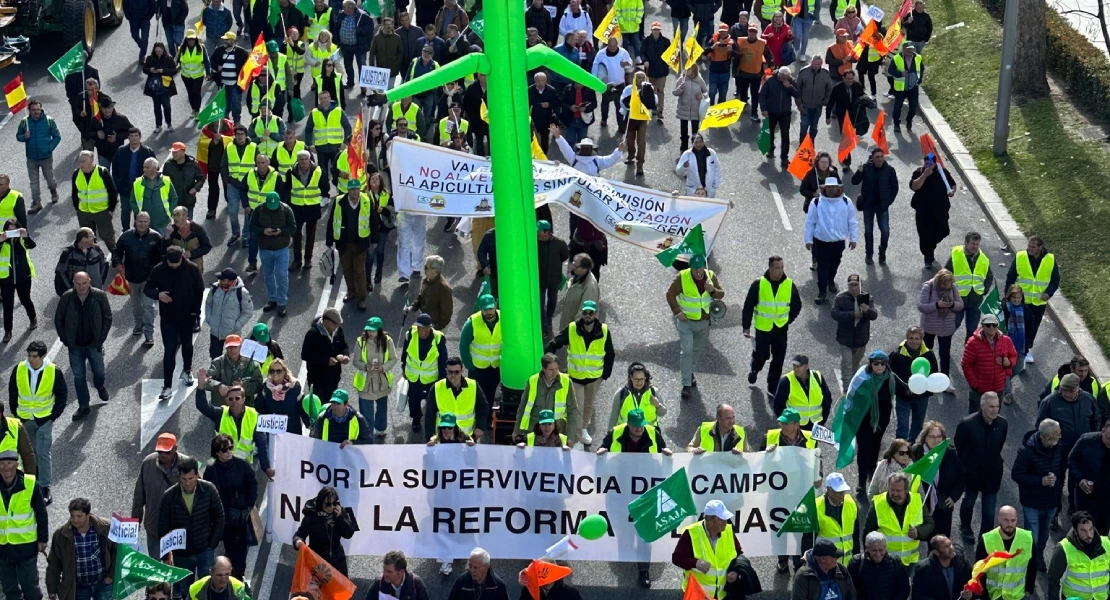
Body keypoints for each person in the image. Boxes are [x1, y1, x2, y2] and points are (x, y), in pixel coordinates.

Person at [546, 300, 614, 445]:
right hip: (575, 378)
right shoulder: (572, 329)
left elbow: (610, 354)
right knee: (577, 406)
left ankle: (583, 429)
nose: (588, 315)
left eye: (591, 313)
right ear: (581, 313)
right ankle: (575, 437)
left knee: (588, 405)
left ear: (596, 314)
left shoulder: (604, 331)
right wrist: (549, 363)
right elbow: (554, 343)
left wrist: (604, 375)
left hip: (594, 378)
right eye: (585, 312)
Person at [157, 457, 224, 597]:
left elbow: (220, 516)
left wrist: (212, 544)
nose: (188, 483)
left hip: (204, 550)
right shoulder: (169, 497)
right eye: (184, 479)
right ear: (179, 477)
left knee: (206, 589)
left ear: (197, 475)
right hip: (182, 555)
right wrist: (165, 556)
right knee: (185, 592)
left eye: (191, 478)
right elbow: (163, 528)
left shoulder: (209, 490)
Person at [1036, 373, 1100, 520]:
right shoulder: (1050, 402)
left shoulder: (1087, 399)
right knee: (1057, 483)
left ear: (1078, 389)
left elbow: (1096, 420)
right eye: (1064, 390)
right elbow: (1040, 426)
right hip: (1059, 450)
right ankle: (1054, 514)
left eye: (1071, 390)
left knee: (1077, 481)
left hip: (1081, 451)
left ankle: (1074, 509)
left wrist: (1091, 440)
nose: (1067, 393)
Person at [146, 246, 204, 398]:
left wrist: (195, 312)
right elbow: (148, 288)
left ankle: (187, 370)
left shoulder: (192, 269)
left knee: (187, 345)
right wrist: (158, 295)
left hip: (187, 315)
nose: (173, 267)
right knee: (169, 350)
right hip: (168, 317)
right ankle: (167, 386)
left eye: (176, 264)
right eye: (170, 265)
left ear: (181, 258)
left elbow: (199, 290)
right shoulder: (159, 269)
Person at [54, 271, 111, 421]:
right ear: (73, 283)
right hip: (75, 346)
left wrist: (100, 339)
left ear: (89, 281)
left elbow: (107, 317)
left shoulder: (99, 296)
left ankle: (99, 386)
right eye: (78, 284)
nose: (81, 287)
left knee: (99, 372)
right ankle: (84, 406)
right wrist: (66, 340)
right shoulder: (67, 297)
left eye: (84, 283)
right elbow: (58, 319)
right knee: (79, 377)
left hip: (94, 344)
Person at [194, 371, 273, 478]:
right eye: (230, 399)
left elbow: (262, 444)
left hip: (243, 465)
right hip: (221, 463)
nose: (234, 401)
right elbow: (202, 406)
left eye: (237, 398)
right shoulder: (220, 413)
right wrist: (201, 387)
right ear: (226, 400)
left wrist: (266, 468)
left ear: (244, 399)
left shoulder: (254, 416)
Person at [667, 255, 725, 400]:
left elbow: (721, 294)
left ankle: (689, 372)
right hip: (686, 322)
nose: (698, 272)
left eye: (700, 269)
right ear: (690, 267)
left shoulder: (711, 276)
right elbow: (670, 295)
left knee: (696, 351)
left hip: (704, 322)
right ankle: (686, 384)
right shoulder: (682, 277)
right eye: (695, 269)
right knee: (686, 351)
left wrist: (712, 290)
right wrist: (677, 312)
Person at [953, 392, 1008, 541]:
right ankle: (965, 527)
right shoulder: (967, 424)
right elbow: (959, 446)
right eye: (991, 406)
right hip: (972, 474)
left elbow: (999, 445)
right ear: (982, 406)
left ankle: (985, 540)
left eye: (997, 406)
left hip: (992, 474)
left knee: (989, 512)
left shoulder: (1002, 424)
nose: (995, 410)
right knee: (968, 502)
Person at [1011, 419, 1062, 576]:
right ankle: (1030, 562)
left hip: (1051, 501)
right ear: (1047, 437)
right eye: (1057, 434)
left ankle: (1039, 556)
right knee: (1032, 535)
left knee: (1044, 533)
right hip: (1032, 503)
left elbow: (1062, 468)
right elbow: (1016, 474)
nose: (1060, 436)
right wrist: (1040, 481)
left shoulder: (1059, 447)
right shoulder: (1026, 451)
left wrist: (1056, 481)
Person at [202, 434, 256, 579]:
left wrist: (249, 502)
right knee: (231, 549)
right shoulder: (211, 471)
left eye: (230, 448)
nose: (229, 452)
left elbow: (252, 483)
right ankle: (231, 577)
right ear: (217, 452)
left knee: (242, 551)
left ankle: (239, 576)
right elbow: (207, 493)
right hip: (224, 518)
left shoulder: (242, 465)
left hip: (242, 515)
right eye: (224, 450)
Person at [7, 340, 56, 498]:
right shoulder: (19, 369)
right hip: (26, 418)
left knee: (43, 453)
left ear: (43, 357)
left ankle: (44, 486)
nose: (31, 359)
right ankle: (31, 481)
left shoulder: (54, 371)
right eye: (29, 355)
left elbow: (61, 394)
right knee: (29, 453)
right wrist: (17, 413)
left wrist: (52, 416)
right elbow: (13, 391)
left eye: (34, 356)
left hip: (44, 419)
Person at [45, 497, 116, 600]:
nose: (75, 520)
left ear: (88, 514)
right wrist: (52, 588)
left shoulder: (105, 528)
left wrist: (111, 576)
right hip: (78, 587)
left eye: (79, 516)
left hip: (103, 584)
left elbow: (116, 552)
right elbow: (54, 563)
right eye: (72, 516)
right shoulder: (61, 535)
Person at [0, 449, 47, 600]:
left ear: (16, 465)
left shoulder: (30, 484)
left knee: (30, 588)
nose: (6, 467)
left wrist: (43, 539)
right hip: (2, 548)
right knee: (9, 589)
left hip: (26, 546)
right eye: (1, 464)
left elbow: (41, 513)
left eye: (9, 463)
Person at [670, 500, 745, 595]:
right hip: (697, 593)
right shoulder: (691, 533)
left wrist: (735, 571)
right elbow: (677, 558)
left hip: (722, 594)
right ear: (710, 520)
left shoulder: (728, 531)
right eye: (720, 519)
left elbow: (739, 555)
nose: (725, 522)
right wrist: (695, 563)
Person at [1003, 235, 1059, 364]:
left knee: (1033, 326)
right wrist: (1007, 296)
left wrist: (1048, 293)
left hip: (1038, 302)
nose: (1030, 249)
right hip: (1020, 301)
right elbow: (1011, 277)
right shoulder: (1020, 256)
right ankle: (1013, 348)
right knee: (1017, 326)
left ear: (1040, 247)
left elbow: (1055, 280)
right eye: (1029, 246)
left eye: (1033, 247)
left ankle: (1026, 350)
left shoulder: (1050, 259)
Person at [132, 433, 189, 553]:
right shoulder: (148, 463)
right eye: (160, 451)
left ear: (175, 449)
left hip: (179, 529)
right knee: (157, 567)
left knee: (179, 568)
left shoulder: (187, 464)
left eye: (167, 452)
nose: (163, 455)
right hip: (154, 527)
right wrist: (135, 522)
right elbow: (139, 496)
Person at [327, 181, 380, 310]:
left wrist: (374, 239)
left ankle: (362, 298)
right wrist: (329, 241)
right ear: (348, 190)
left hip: (360, 243)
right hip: (344, 242)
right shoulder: (339, 201)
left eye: (357, 189)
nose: (355, 192)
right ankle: (351, 292)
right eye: (352, 190)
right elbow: (331, 220)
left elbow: (373, 220)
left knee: (359, 270)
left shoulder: (366, 200)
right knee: (347, 269)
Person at [864, 472, 932, 572]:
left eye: (899, 491)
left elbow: (930, 524)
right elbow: (867, 532)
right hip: (885, 561)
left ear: (906, 490)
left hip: (910, 562)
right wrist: (869, 557)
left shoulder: (917, 501)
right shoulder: (878, 503)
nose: (895, 494)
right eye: (892, 490)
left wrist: (919, 532)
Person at [847, 351, 895, 492]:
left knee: (875, 448)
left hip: (881, 420)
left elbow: (898, 394)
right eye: (876, 363)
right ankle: (861, 481)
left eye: (882, 363)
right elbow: (852, 397)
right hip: (864, 421)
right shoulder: (863, 378)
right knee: (864, 449)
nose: (879, 366)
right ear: (870, 364)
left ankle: (871, 476)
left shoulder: (890, 378)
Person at [804, 177, 858, 304]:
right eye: (829, 187)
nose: (831, 189)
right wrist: (808, 240)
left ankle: (830, 280)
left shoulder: (846, 201)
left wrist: (853, 238)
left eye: (833, 187)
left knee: (835, 263)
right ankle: (822, 291)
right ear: (825, 188)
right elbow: (810, 222)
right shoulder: (816, 202)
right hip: (821, 241)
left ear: (838, 188)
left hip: (838, 242)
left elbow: (852, 221)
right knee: (822, 266)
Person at [911, 421, 963, 539]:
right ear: (925, 438)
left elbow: (961, 476)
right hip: (922, 504)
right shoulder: (917, 452)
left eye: (939, 437)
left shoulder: (950, 453)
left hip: (942, 506)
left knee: (940, 541)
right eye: (932, 437)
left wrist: (954, 496)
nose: (936, 440)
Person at [514, 354, 580, 446]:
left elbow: (573, 410)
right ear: (543, 369)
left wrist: (571, 436)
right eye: (551, 370)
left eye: (557, 368)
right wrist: (517, 430)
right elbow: (523, 408)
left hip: (557, 433)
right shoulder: (532, 381)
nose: (555, 372)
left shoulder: (566, 381)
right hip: (535, 432)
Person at [293, 486, 357, 576]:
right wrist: (298, 542)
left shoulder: (339, 512)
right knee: (318, 589)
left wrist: (340, 518)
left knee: (339, 589)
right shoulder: (311, 516)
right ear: (320, 504)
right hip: (317, 560)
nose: (331, 507)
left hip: (337, 560)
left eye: (334, 503)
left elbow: (348, 533)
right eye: (328, 504)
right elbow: (300, 534)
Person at [1045, 511, 1110, 600]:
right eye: (1083, 531)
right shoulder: (1063, 550)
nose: (1089, 535)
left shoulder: (1107, 544)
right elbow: (1054, 582)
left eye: (1090, 529)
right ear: (1075, 531)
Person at [249, 192, 296, 315]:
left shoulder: (286, 210)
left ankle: (282, 302)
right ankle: (272, 298)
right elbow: (252, 227)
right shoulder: (258, 210)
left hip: (282, 248)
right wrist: (263, 231)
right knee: (268, 275)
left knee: (282, 275)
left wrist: (281, 231)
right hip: (265, 248)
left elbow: (293, 228)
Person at [351, 318, 397, 440]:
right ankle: (368, 434)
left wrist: (383, 367)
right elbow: (355, 361)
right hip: (366, 383)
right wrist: (365, 366)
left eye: (373, 331)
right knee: (366, 412)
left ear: (379, 331)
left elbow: (393, 359)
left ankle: (380, 429)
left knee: (382, 407)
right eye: (368, 330)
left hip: (382, 381)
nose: (370, 333)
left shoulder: (388, 341)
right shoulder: (361, 341)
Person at [961, 313, 1017, 413]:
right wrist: (974, 383)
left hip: (998, 387)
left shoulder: (1006, 340)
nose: (991, 328)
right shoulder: (972, 342)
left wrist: (1008, 363)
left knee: (994, 414)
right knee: (975, 415)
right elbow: (966, 364)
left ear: (997, 326)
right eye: (988, 325)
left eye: (994, 325)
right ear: (982, 326)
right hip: (979, 389)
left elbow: (1013, 356)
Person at [850, 147, 898, 264]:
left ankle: (882, 252)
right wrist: (859, 172)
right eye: (877, 157)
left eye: (881, 156)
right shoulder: (866, 168)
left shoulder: (890, 170)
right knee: (868, 232)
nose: (880, 159)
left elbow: (895, 188)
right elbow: (854, 181)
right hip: (868, 206)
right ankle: (869, 254)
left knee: (885, 231)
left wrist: (888, 202)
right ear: (872, 158)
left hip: (882, 206)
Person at [889, 326, 938, 440]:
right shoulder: (897, 355)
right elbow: (892, 376)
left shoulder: (929, 355)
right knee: (903, 426)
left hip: (921, 398)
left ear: (922, 339)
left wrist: (927, 392)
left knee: (918, 425)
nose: (914, 341)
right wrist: (902, 390)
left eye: (917, 338)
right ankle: (899, 449)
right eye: (911, 338)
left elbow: (934, 374)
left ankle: (910, 447)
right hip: (903, 397)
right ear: (906, 338)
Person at [283, 150, 328, 271]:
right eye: (301, 159)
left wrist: (321, 201)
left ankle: (308, 259)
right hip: (296, 208)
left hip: (312, 207)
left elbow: (325, 188)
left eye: (306, 159)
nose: (303, 162)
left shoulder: (319, 171)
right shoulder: (291, 172)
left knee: (310, 235)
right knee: (296, 235)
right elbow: (287, 188)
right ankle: (297, 260)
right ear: (297, 160)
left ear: (310, 159)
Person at [832, 274, 879, 391]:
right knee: (847, 363)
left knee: (854, 365)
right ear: (847, 286)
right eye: (851, 285)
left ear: (860, 285)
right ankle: (847, 390)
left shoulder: (868, 298)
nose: (854, 288)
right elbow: (835, 314)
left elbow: (874, 315)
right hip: (845, 339)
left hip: (861, 339)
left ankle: (853, 384)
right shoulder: (840, 298)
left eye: (856, 285)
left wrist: (868, 311)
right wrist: (852, 314)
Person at [909, 155, 956, 268]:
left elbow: (952, 184)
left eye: (931, 164)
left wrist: (952, 191)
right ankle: (928, 257)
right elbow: (914, 186)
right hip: (923, 211)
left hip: (940, 210)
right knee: (925, 235)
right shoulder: (919, 172)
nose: (928, 166)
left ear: (935, 163)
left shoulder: (942, 172)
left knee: (943, 230)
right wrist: (924, 175)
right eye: (926, 164)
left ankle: (930, 246)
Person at [916, 269, 963, 382]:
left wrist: (952, 305)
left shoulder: (953, 288)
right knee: (927, 352)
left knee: (944, 354)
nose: (948, 287)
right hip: (929, 326)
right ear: (940, 282)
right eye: (945, 284)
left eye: (949, 284)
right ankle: (926, 376)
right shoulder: (928, 287)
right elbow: (921, 306)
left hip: (946, 327)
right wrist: (936, 305)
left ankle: (944, 380)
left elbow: (960, 305)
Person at [944, 231, 993, 338]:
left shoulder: (984, 259)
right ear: (966, 243)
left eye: (977, 244)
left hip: (975, 300)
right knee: (952, 327)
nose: (975, 247)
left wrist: (984, 290)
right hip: (958, 299)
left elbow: (989, 277)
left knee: (972, 330)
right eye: (972, 244)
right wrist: (948, 292)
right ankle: (945, 354)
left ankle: (968, 353)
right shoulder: (956, 255)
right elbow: (945, 274)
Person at [459, 296, 502, 419]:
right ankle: (477, 418)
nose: (488, 312)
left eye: (490, 308)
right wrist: (470, 366)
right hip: (477, 368)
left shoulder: (504, 319)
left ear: (495, 306)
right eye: (485, 309)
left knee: (491, 394)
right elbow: (463, 345)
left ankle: (487, 418)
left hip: (495, 367)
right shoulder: (472, 323)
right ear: (480, 309)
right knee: (477, 395)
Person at [15, 100, 61, 214]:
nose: (36, 112)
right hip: (31, 157)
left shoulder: (49, 120)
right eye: (33, 110)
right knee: (33, 182)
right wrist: (24, 137)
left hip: (46, 157)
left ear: (41, 109)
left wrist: (49, 148)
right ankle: (36, 202)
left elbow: (57, 136)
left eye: (38, 109)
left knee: (49, 178)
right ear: (29, 110)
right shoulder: (24, 121)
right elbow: (18, 136)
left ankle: (53, 191)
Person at [72, 152, 120, 255]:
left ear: (92, 160)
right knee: (86, 239)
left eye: (83, 161)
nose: (81, 164)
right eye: (80, 161)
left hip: (101, 212)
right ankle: (93, 257)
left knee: (108, 237)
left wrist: (110, 210)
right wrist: (78, 210)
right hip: (84, 212)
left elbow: (113, 192)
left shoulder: (102, 172)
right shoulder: (76, 174)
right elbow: (74, 194)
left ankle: (116, 257)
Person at [301, 308, 350, 408]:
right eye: (335, 324)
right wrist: (325, 361)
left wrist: (345, 355)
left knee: (330, 407)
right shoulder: (312, 334)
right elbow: (305, 355)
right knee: (318, 408)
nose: (337, 326)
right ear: (326, 321)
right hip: (317, 379)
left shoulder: (338, 331)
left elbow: (344, 345)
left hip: (333, 378)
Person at [1069, 421, 1110, 534]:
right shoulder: (1086, 440)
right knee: (1083, 528)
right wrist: (1080, 479)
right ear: (1102, 430)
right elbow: (1072, 461)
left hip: (1107, 499)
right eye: (1108, 437)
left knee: (1102, 532)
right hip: (1086, 494)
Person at [0, 220, 37, 342]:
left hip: (23, 277)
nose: (12, 232)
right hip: (6, 278)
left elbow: (32, 245)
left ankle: (32, 318)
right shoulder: (2, 240)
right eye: (9, 229)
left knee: (25, 299)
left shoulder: (21, 239)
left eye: (14, 229)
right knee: (7, 305)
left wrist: (25, 236)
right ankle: (8, 331)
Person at [771, 355, 832, 428]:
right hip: (795, 426)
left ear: (806, 367)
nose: (795, 369)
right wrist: (787, 424)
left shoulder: (817, 377)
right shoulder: (786, 381)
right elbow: (778, 405)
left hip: (817, 425)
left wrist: (823, 420)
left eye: (798, 366)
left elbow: (827, 399)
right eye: (794, 365)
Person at [204, 269, 253, 359]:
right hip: (216, 331)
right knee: (214, 356)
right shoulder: (215, 288)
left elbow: (248, 312)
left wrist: (236, 326)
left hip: (232, 332)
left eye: (223, 280)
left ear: (230, 281)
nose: (220, 281)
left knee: (233, 357)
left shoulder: (242, 293)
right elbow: (208, 304)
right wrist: (209, 319)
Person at [848, 532, 910, 600]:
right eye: (874, 550)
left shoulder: (895, 563)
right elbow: (850, 590)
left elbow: (903, 589)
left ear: (885, 548)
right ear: (867, 548)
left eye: (881, 550)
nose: (878, 554)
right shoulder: (856, 563)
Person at [205, 334, 264, 406]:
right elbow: (206, 380)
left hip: (244, 406)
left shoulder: (252, 364)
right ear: (225, 348)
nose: (232, 350)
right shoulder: (218, 362)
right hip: (222, 407)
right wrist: (218, 386)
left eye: (235, 347)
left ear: (240, 347)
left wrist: (244, 386)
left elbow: (259, 385)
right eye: (229, 347)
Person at [255, 357, 307, 435]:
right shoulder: (266, 387)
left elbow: (302, 408)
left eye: (278, 371)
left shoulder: (294, 386)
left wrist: (309, 425)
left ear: (285, 372)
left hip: (292, 430)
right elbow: (259, 407)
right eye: (272, 371)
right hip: (272, 432)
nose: (275, 373)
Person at [759, 66, 799, 168]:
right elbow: (762, 94)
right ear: (779, 75)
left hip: (785, 112)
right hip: (772, 111)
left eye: (785, 78)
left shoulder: (791, 81)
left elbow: (797, 94)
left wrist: (789, 87)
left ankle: (784, 157)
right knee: (771, 132)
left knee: (785, 134)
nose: (783, 80)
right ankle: (771, 149)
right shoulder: (770, 81)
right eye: (782, 77)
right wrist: (763, 109)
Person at [536, 220, 570, 337]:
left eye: (538, 232)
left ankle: (549, 318)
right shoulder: (534, 243)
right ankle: (543, 325)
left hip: (553, 280)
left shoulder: (560, 243)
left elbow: (565, 256)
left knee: (552, 300)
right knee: (539, 303)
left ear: (547, 232)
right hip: (539, 280)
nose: (536, 234)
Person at [912, 536, 973, 600]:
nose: (951, 548)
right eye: (946, 547)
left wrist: (971, 594)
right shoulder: (923, 569)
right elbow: (918, 595)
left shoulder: (962, 563)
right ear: (936, 552)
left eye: (950, 544)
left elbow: (973, 582)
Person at [792, 539, 856, 600]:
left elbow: (851, 595)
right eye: (834, 556)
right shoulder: (803, 576)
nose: (836, 559)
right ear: (823, 559)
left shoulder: (842, 570)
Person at [817, 473, 859, 563]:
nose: (841, 495)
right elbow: (808, 538)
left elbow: (856, 534)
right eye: (838, 492)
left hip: (848, 563)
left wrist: (857, 558)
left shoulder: (851, 503)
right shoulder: (817, 506)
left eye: (843, 491)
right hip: (826, 565)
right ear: (828, 489)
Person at [734, 25, 772, 123]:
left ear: (757, 33)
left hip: (756, 73)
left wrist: (771, 65)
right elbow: (735, 55)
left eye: (754, 32)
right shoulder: (741, 41)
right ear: (747, 32)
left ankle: (754, 113)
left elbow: (768, 55)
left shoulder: (762, 43)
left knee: (755, 94)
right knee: (743, 91)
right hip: (743, 72)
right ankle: (743, 105)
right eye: (750, 31)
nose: (752, 33)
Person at [407, 255, 454, 330]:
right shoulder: (426, 280)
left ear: (434, 271)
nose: (423, 269)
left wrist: (436, 328)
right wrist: (412, 307)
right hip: (425, 321)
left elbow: (447, 313)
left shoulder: (444, 289)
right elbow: (421, 297)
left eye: (426, 267)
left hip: (435, 326)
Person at [142, 43, 178, 133]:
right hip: (154, 87)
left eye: (160, 51)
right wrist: (150, 70)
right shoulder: (150, 58)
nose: (158, 53)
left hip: (165, 87)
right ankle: (158, 125)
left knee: (166, 106)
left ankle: (169, 124)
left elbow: (174, 70)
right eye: (156, 51)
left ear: (163, 50)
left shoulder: (168, 58)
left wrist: (163, 71)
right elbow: (144, 69)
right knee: (156, 107)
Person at [796, 55, 833, 143]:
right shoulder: (803, 72)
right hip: (805, 105)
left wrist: (825, 101)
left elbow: (829, 89)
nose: (817, 66)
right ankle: (802, 146)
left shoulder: (826, 74)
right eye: (815, 64)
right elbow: (797, 89)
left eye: (819, 64)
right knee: (804, 127)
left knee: (814, 128)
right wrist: (799, 104)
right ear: (811, 63)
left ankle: (811, 145)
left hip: (818, 106)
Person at [367, 550, 431, 600]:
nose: (385, 574)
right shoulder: (379, 582)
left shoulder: (416, 583)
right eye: (384, 570)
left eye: (389, 572)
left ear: (401, 572)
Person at [559, 255, 600, 332]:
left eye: (575, 265)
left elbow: (584, 314)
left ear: (584, 268)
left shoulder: (590, 287)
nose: (572, 266)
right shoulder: (576, 277)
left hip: (574, 333)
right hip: (567, 327)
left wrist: (568, 334)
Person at [673, 66, 709, 151]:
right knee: (684, 130)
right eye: (686, 69)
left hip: (695, 109)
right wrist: (681, 88)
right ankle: (684, 145)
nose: (686, 71)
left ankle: (695, 146)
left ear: (694, 70)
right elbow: (675, 92)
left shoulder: (699, 79)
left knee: (695, 130)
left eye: (689, 69)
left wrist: (702, 96)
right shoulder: (682, 79)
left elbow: (706, 92)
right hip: (683, 109)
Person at [887, 44, 923, 131]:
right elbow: (890, 70)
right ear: (903, 50)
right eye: (907, 51)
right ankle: (896, 124)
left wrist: (920, 80)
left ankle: (909, 120)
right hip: (900, 88)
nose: (909, 53)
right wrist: (900, 74)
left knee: (913, 107)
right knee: (897, 107)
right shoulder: (896, 58)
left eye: (911, 51)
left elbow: (921, 69)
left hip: (913, 87)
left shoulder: (918, 57)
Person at [176, 31, 211, 118]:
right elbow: (177, 60)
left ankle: (197, 110)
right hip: (186, 75)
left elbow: (206, 61)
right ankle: (193, 109)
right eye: (189, 39)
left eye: (193, 39)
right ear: (186, 40)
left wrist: (208, 73)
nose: (191, 41)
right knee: (190, 93)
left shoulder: (201, 48)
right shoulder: (182, 48)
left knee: (196, 92)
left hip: (198, 75)